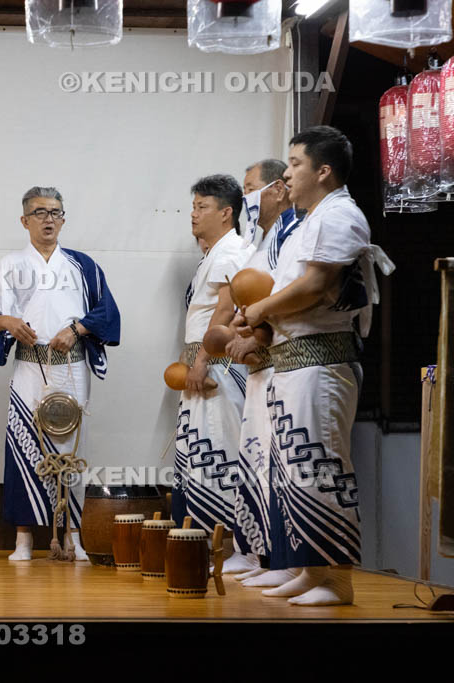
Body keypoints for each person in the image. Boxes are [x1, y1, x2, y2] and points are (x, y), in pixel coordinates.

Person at [236, 126, 393, 606]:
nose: (287, 172)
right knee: (294, 469)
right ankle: (309, 570)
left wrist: (260, 311)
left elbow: (315, 286)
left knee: (321, 467)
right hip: (294, 363)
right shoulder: (312, 220)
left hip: (322, 363)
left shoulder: (339, 214)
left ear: (323, 171)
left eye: (296, 163)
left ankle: (337, 580)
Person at [0, 187, 120, 561]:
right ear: (24, 221)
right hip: (29, 366)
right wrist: (5, 320)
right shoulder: (11, 264)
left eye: (55, 212)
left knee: (72, 449)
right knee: (25, 447)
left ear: (63, 219)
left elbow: (106, 313)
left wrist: (76, 330)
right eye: (39, 212)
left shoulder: (82, 265)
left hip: (70, 368)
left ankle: (74, 537)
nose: (48, 219)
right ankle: (23, 539)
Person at [225, 159, 303, 583]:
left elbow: (289, 297)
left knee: (280, 462)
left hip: (283, 359)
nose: (245, 199)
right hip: (260, 363)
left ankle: (281, 558)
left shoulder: (293, 233)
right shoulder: (263, 241)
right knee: (255, 458)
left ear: (277, 189)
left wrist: (257, 334)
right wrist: (241, 328)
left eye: (250, 188)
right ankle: (255, 549)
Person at [172, 175, 248, 538]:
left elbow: (226, 312)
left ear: (226, 213)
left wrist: (201, 360)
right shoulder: (213, 255)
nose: (193, 214)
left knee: (220, 449)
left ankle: (229, 544)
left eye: (202, 207)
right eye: (193, 206)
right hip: (204, 364)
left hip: (219, 366)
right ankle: (206, 541)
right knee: (200, 452)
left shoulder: (232, 251)